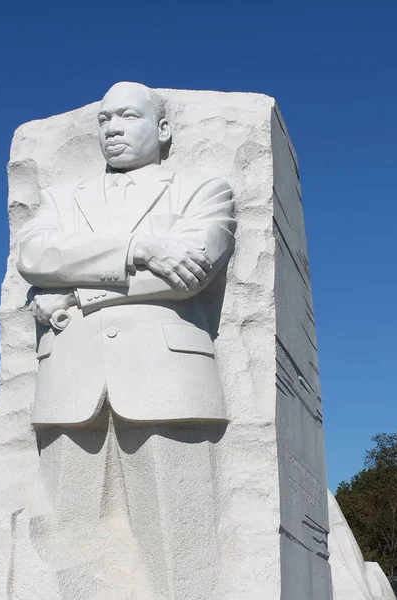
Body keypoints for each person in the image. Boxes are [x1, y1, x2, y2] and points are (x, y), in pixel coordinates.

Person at [16, 81, 236, 597]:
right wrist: (138, 247)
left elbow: (189, 273)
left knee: (183, 551)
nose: (112, 128)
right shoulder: (60, 198)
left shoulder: (203, 191)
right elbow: (35, 258)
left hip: (168, 382)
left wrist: (72, 296)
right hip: (69, 385)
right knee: (63, 553)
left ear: (161, 128)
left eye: (128, 116)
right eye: (104, 118)